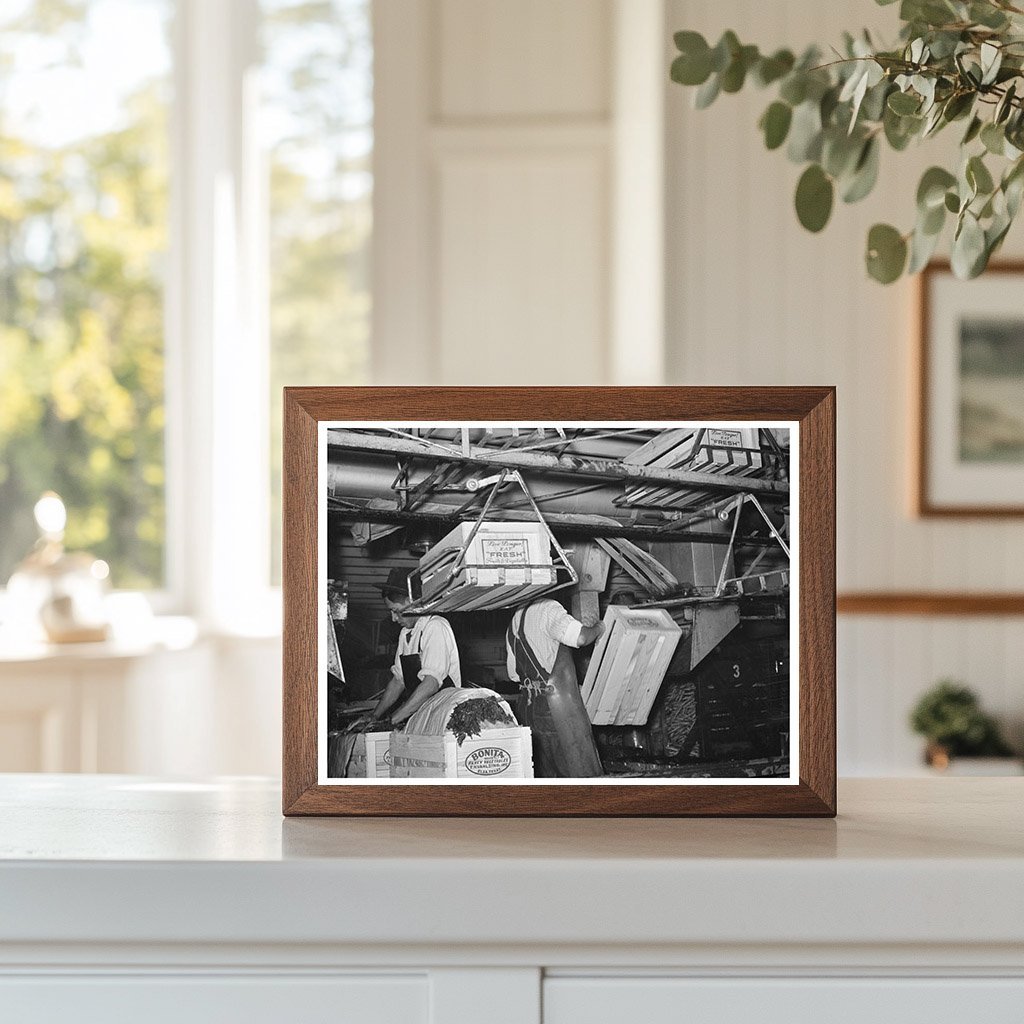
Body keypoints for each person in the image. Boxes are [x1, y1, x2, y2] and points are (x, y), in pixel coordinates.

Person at [505, 597, 605, 778]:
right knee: (579, 773)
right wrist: (599, 628)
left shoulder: (516, 617)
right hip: (553, 709)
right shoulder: (548, 608)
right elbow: (581, 637)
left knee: (546, 775)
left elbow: (513, 674)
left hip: (528, 707)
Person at [369, 567, 462, 726]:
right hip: (423, 716)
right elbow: (399, 681)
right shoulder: (405, 633)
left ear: (412, 603)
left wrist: (394, 719)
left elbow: (431, 683)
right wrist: (374, 716)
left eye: (396, 611)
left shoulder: (435, 627)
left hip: (444, 717)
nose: (393, 618)